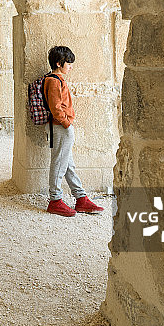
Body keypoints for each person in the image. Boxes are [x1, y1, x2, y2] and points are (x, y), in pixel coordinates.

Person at [44, 45, 104, 217]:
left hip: (61, 127)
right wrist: (66, 124)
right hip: (60, 127)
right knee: (59, 164)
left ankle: (80, 198)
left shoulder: (56, 79)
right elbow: (56, 108)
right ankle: (55, 201)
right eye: (68, 63)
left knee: (68, 164)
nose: (71, 67)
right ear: (58, 63)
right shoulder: (54, 81)